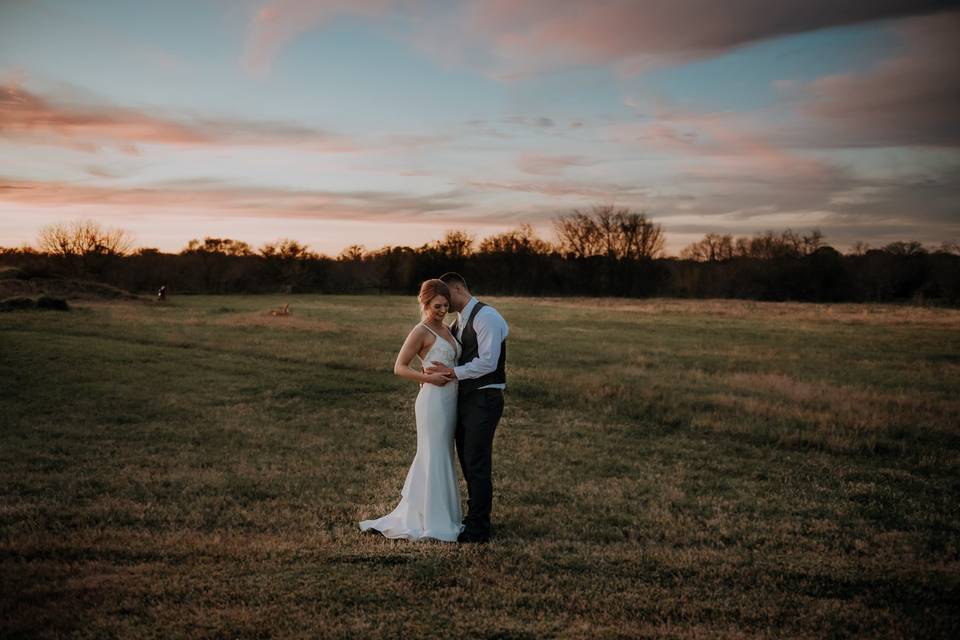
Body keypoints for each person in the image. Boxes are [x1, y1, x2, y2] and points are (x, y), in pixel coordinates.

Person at [359, 279, 464, 542]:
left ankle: (444, 514)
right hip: (433, 400)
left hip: (451, 399)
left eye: (446, 305)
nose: (442, 310)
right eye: (437, 306)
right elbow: (400, 367)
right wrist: (428, 378)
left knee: (443, 454)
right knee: (433, 453)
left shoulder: (449, 329)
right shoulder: (421, 331)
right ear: (425, 303)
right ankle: (429, 519)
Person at [426, 272, 508, 544]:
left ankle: (479, 529)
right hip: (467, 399)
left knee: (477, 461)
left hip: (484, 398)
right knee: (467, 460)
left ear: (459, 288)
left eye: (448, 297)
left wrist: (453, 372)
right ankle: (473, 519)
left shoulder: (487, 317)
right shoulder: (459, 321)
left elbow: (488, 362)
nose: (446, 304)